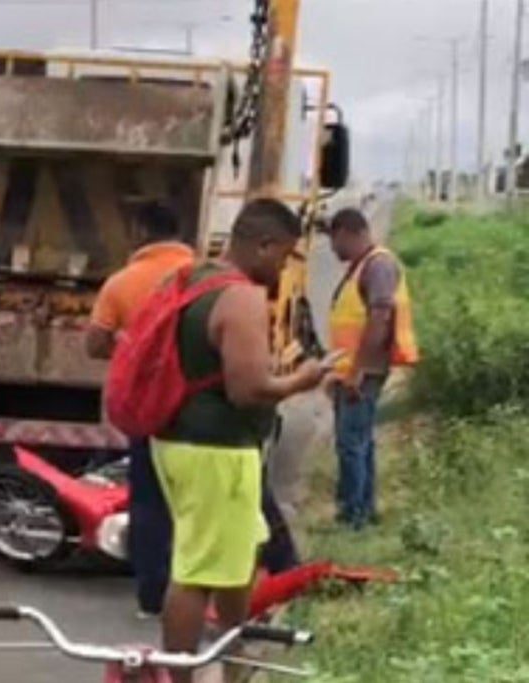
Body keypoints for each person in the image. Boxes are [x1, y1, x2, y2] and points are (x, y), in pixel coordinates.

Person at [152, 198, 333, 682]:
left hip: (181, 442)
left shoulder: (192, 279)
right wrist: (303, 379)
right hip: (217, 453)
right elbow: (248, 388)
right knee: (196, 572)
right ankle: (181, 676)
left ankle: (236, 665)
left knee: (238, 557)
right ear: (263, 244)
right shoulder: (242, 297)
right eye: (284, 255)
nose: (283, 266)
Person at [86, 201, 193, 618]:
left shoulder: (122, 283)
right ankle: (197, 590)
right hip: (197, 408)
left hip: (149, 410)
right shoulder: (203, 277)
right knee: (194, 500)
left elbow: (95, 344)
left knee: (149, 500)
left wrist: (130, 346)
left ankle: (153, 596)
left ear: (138, 233)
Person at [327, 208, 418, 529]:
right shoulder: (364, 265)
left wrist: (357, 371)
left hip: (364, 371)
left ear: (347, 234)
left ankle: (355, 516)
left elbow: (380, 318)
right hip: (355, 370)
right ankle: (361, 509)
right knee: (359, 441)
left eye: (334, 241)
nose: (333, 250)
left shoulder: (377, 265)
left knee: (351, 442)